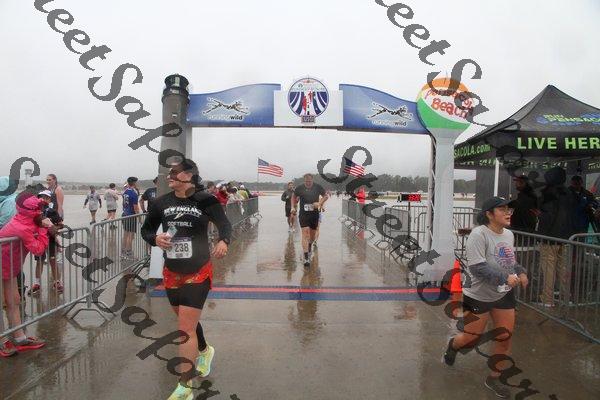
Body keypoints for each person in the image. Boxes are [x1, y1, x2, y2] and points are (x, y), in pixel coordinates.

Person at [141, 159, 231, 399]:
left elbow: (224, 225)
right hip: (172, 272)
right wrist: (155, 239)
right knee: (186, 322)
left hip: (198, 271)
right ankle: (205, 350)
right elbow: (146, 230)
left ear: (188, 175)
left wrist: (224, 241)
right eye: (168, 172)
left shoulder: (206, 200)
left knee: (184, 329)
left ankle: (185, 387)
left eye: (174, 172)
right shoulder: (161, 203)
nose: (169, 176)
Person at [443, 196, 528, 399]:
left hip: (503, 294)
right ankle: (453, 345)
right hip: (478, 296)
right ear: (489, 214)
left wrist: (521, 271)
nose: (508, 213)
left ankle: (494, 378)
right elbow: (477, 268)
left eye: (509, 209)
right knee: (471, 338)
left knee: (505, 337)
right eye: (502, 209)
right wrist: (505, 278)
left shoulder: (509, 234)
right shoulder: (478, 235)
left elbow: (509, 261)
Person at [0, 196, 51, 357]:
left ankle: (20, 338)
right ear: (29, 211)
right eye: (37, 208)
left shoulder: (27, 222)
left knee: (14, 300)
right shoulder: (21, 226)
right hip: (3, 265)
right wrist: (44, 229)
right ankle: (2, 342)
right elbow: (38, 250)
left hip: (9, 267)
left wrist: (42, 226)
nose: (40, 211)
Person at [534, 167, 575, 307]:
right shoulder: (568, 192)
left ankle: (547, 299)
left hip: (550, 237)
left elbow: (549, 215)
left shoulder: (548, 193)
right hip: (565, 237)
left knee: (548, 268)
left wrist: (539, 214)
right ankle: (565, 298)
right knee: (563, 268)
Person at [30, 190, 64, 295]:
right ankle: (37, 284)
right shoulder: (33, 212)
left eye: (46, 197)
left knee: (53, 260)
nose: (43, 199)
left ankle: (56, 282)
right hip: (38, 241)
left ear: (49, 199)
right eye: (41, 197)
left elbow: (61, 224)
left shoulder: (52, 211)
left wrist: (53, 229)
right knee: (39, 261)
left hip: (51, 241)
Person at [291, 173, 328, 267]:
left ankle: (310, 244)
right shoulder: (300, 188)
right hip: (303, 214)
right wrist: (293, 207)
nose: (308, 183)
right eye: (306, 181)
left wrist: (319, 203)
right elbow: (293, 196)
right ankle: (306, 257)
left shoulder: (317, 187)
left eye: (309, 181)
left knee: (312, 236)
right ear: (304, 180)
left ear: (312, 180)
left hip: (314, 214)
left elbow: (326, 196)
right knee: (305, 233)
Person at [121, 177, 140, 260]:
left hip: (125, 214)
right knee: (130, 236)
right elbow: (136, 208)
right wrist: (139, 218)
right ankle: (128, 253)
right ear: (134, 183)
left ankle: (123, 252)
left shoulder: (125, 192)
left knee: (125, 234)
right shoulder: (133, 194)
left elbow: (123, 204)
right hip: (131, 215)